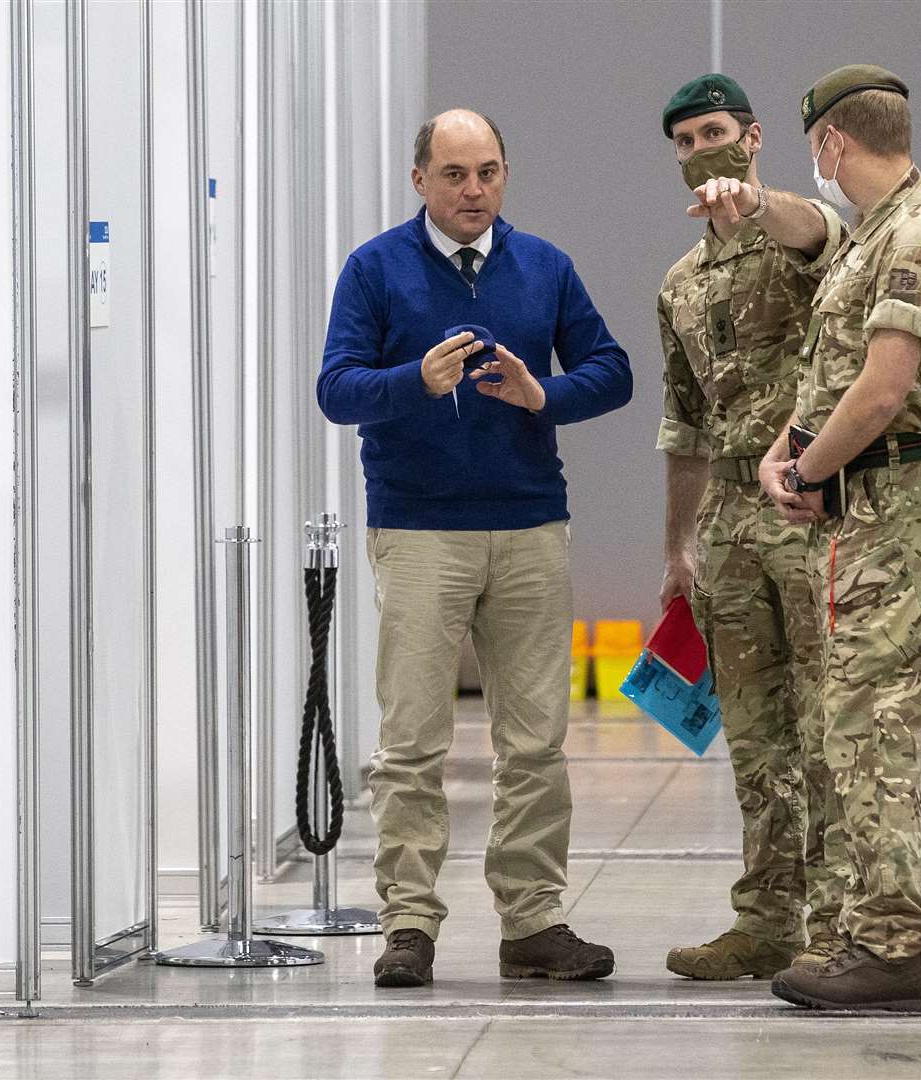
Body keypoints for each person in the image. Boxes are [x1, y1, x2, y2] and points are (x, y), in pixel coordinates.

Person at [316, 108, 632, 989]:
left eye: (488, 172)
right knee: (411, 741)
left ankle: (531, 921)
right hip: (419, 529)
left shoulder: (544, 268)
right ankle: (408, 923)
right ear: (419, 179)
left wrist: (544, 395)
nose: (473, 191)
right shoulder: (375, 270)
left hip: (530, 525)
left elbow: (613, 370)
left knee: (535, 742)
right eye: (454, 174)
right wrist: (413, 381)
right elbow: (336, 390)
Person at [758, 65, 921, 1012]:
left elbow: (885, 389)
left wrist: (808, 471)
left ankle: (892, 945)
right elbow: (833, 373)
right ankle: (859, 929)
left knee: (875, 726)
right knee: (847, 721)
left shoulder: (920, 236)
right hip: (859, 505)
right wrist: (788, 450)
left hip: (895, 504)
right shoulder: (872, 238)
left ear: (831, 143)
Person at [652, 74, 849, 982]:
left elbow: (818, 230)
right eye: (687, 141)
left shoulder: (804, 238)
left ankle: (841, 924)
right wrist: (674, 546)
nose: (702, 152)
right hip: (727, 521)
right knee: (755, 733)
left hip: (808, 509)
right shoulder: (680, 285)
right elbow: (683, 426)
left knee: (827, 721)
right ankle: (766, 916)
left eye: (716, 133)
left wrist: (755, 200)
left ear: (756, 135)